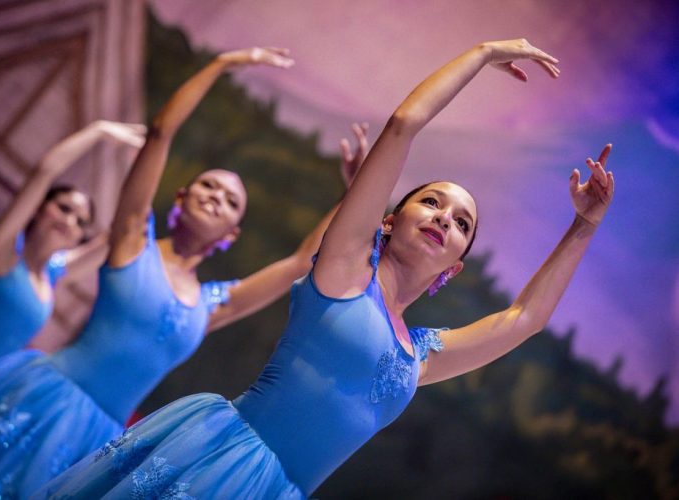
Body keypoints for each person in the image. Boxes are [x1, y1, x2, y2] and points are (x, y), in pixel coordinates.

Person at [38, 39, 615, 499]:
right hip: (219, 459)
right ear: (388, 220)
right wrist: (483, 54)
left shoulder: (420, 355)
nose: (445, 218)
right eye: (432, 201)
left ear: (456, 267)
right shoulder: (343, 273)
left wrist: (584, 226)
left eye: (462, 222)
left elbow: (525, 317)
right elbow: (403, 125)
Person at [0, 46, 364, 499]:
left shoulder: (212, 304)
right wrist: (221, 66)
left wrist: (353, 198)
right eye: (208, 185)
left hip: (101, 441)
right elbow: (160, 133)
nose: (216, 196)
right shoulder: (133, 240)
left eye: (230, 200)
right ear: (181, 197)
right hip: (45, 401)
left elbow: (300, 262)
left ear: (230, 234)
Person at [0, 120, 145, 398]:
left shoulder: (53, 275)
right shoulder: (5, 252)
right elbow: (45, 171)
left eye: (81, 221)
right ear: (39, 208)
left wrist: (138, 170)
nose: (69, 221)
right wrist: (99, 131)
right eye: (64, 208)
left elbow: (119, 233)